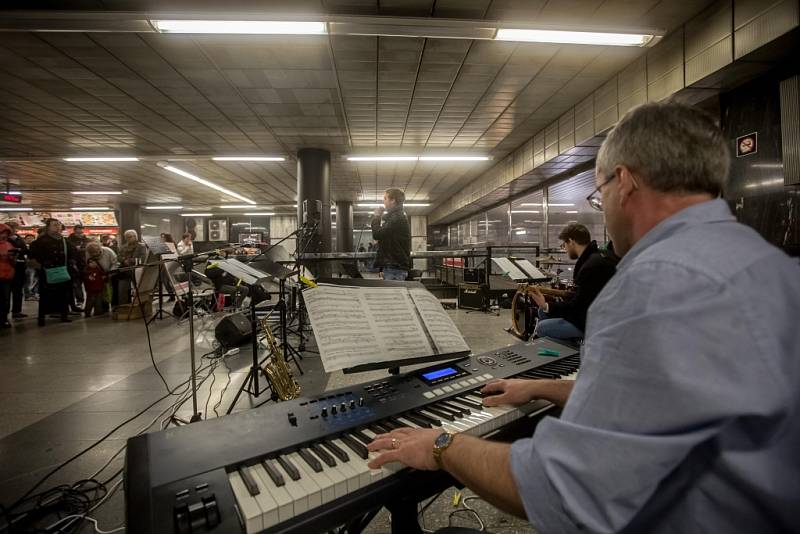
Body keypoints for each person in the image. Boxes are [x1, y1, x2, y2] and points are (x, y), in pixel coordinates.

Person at [366, 102, 800, 533]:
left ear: (625, 182)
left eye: (599, 192)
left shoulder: (654, 282)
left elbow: (564, 490)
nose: (603, 208)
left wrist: (443, 445)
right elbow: (663, 408)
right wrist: (543, 386)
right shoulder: (772, 266)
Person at [528, 223, 617, 341]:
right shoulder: (596, 256)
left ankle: (576, 353)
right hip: (595, 313)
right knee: (543, 312)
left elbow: (578, 307)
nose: (564, 249)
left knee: (541, 328)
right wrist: (547, 306)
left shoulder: (591, 266)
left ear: (571, 241)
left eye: (564, 244)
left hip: (594, 322)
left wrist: (546, 305)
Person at [29, 218, 78, 325]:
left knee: (63, 294)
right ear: (48, 227)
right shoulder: (41, 241)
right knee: (45, 296)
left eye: (59, 225)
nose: (58, 227)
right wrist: (41, 266)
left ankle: (63, 315)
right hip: (47, 272)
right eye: (55, 225)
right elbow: (32, 255)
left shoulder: (64, 240)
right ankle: (42, 318)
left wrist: (71, 262)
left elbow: (72, 253)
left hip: (63, 271)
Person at [371, 188, 411, 281]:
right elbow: (387, 241)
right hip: (392, 266)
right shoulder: (394, 217)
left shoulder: (397, 217)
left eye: (385, 198)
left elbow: (377, 234)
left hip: (395, 268)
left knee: (394, 295)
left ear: (393, 200)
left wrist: (377, 217)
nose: (383, 201)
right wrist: (382, 267)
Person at [83, 241, 118, 317]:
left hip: (109, 273)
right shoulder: (88, 253)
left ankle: (111, 306)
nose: (94, 255)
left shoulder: (108, 251)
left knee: (109, 292)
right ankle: (101, 309)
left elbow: (115, 263)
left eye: (96, 252)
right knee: (98, 294)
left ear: (100, 249)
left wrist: (110, 274)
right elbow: (87, 266)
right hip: (97, 278)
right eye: (92, 253)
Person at [116, 229, 148, 305]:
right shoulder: (123, 247)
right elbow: (118, 256)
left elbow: (143, 258)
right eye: (127, 237)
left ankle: (141, 306)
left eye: (130, 236)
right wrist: (124, 260)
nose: (128, 238)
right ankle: (123, 307)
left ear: (135, 236)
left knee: (139, 289)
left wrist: (130, 261)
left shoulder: (141, 246)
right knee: (122, 290)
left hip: (137, 270)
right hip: (125, 271)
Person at [5, 221, 28, 318]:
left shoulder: (19, 239)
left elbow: (25, 250)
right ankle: (4, 313)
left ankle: (16, 310)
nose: (14, 230)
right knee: (6, 292)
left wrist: (19, 251)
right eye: (12, 228)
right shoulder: (4, 240)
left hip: (19, 266)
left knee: (18, 290)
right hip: (7, 267)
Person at [0, 224, 18, 328]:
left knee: (5, 299)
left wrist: (12, 257)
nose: (4, 236)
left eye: (6, 234)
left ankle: (4, 318)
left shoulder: (9, 245)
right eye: (2, 233)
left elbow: (13, 262)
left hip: (7, 275)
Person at [23, 234, 38, 300]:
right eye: (28, 238)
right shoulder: (24, 247)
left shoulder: (35, 247)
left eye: (32, 238)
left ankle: (34, 294)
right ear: (25, 239)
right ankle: (28, 295)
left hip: (35, 265)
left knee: (35, 280)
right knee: (29, 281)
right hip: (27, 266)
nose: (30, 239)